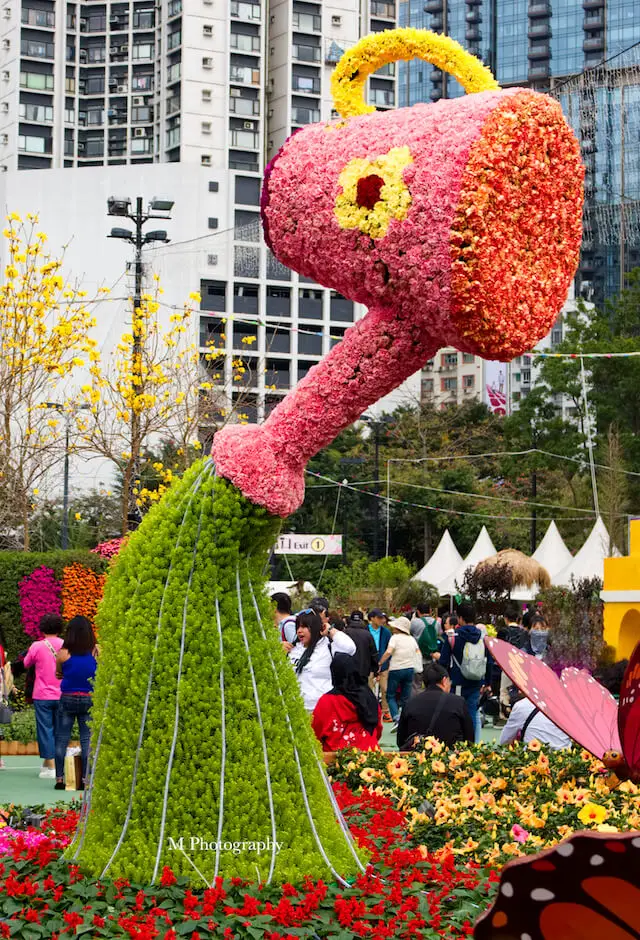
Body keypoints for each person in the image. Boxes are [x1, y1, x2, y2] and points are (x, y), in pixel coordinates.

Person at [54, 616, 98, 790]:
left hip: (68, 697)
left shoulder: (63, 653)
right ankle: (87, 780)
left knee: (62, 738)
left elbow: (59, 673)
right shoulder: (96, 651)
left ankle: (59, 778)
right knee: (86, 739)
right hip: (89, 697)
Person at [438, 603, 489, 743]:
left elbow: (443, 661)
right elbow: (488, 660)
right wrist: (487, 682)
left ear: (460, 618)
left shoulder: (453, 637)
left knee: (456, 712)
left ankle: (457, 742)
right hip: (477, 681)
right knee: (473, 713)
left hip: (458, 681)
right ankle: (474, 743)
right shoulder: (482, 637)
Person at [312, 652, 382, 752]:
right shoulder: (369, 697)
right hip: (370, 755)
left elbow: (316, 731)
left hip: (337, 758)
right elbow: (378, 728)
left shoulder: (327, 700)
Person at [288, 609, 356, 712]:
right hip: (297, 711)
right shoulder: (293, 649)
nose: (299, 631)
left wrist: (330, 630)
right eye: (298, 627)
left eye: (304, 626)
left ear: (315, 627)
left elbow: (350, 648)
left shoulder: (327, 647)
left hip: (323, 710)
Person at [23, 614, 64, 778]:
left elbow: (26, 663)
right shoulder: (65, 645)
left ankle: (50, 764)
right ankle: (56, 764)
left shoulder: (37, 646)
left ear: (42, 628)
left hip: (42, 694)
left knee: (45, 729)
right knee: (60, 729)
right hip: (62, 693)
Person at [397, 662, 474, 749]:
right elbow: (469, 738)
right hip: (451, 758)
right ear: (444, 680)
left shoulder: (410, 703)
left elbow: (401, 740)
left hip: (418, 758)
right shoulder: (458, 702)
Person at [378, 616, 421, 731]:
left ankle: (397, 718)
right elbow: (418, 653)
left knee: (390, 695)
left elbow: (389, 652)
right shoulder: (411, 639)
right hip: (409, 669)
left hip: (396, 669)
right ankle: (406, 721)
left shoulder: (395, 638)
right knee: (406, 697)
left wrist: (380, 662)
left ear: (398, 628)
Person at [500, 694, 571, 750]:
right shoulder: (569, 704)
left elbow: (505, 740)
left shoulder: (522, 705)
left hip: (532, 760)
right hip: (564, 758)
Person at [367, 608, 392, 721]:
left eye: (382, 618)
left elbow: (389, 648)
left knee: (385, 688)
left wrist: (384, 662)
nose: (381, 620)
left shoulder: (386, 632)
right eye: (379, 617)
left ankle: (385, 712)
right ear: (372, 618)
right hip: (368, 663)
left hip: (384, 663)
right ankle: (370, 710)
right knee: (369, 686)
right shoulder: (366, 630)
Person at [411, 605, 439, 696]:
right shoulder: (437, 623)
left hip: (418, 658)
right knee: (431, 684)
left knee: (416, 685)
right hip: (432, 658)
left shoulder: (415, 622)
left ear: (418, 612)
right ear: (430, 611)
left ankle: (417, 704)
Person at [345, 611, 379, 683]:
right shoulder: (368, 635)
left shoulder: (344, 633)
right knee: (361, 691)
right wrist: (375, 670)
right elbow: (374, 654)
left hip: (347, 670)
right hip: (363, 670)